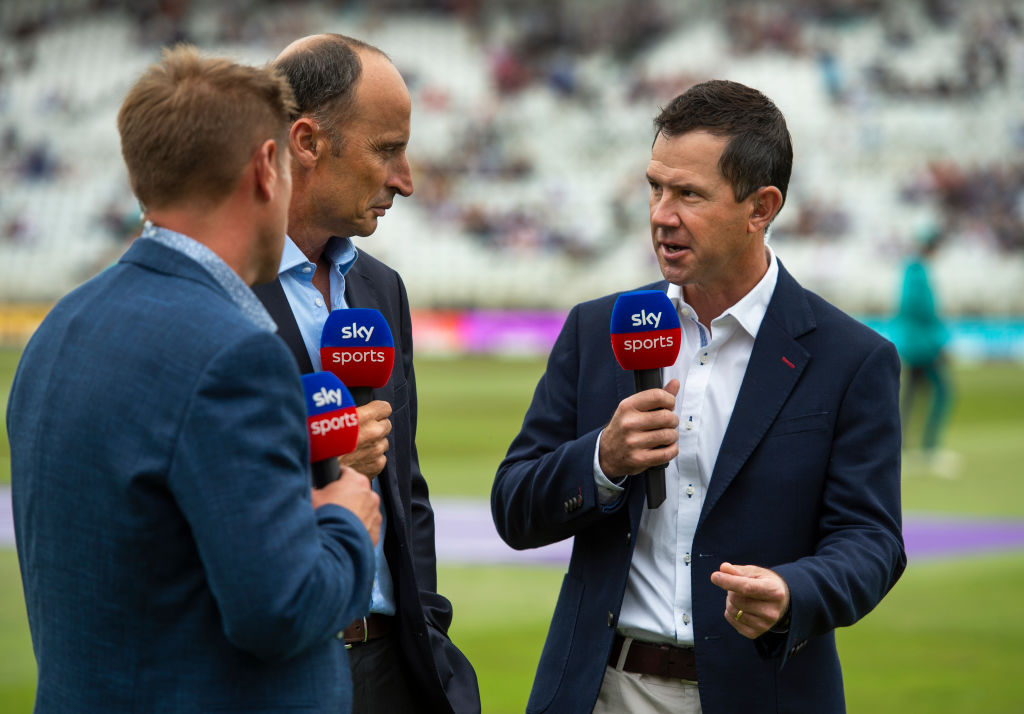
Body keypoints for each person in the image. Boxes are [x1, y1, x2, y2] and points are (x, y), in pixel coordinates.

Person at [492, 79, 906, 713]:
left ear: (760, 207)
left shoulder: (852, 359)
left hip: (759, 692)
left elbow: (871, 541)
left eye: (688, 193)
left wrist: (793, 590)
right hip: (602, 690)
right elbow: (514, 505)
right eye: (655, 187)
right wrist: (603, 460)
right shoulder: (594, 330)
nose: (662, 214)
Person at [7, 46, 381, 713]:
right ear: (268, 168)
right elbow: (281, 611)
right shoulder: (234, 354)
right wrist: (346, 525)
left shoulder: (61, 324)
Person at [251, 34, 480, 714]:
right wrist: (320, 460)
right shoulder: (221, 289)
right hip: (280, 668)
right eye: (387, 148)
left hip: (394, 668)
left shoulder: (382, 289)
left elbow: (405, 491)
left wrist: (428, 630)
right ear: (306, 141)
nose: (405, 178)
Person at [891, 222, 955, 473]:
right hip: (923, 346)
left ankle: (902, 448)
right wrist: (940, 342)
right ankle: (929, 449)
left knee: (909, 396)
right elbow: (921, 310)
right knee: (941, 392)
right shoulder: (917, 271)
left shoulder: (914, 269)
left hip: (915, 343)